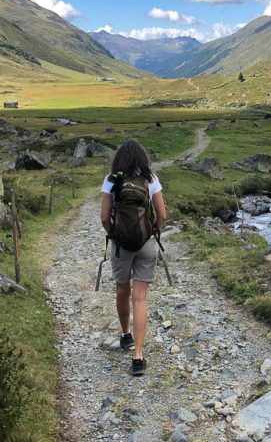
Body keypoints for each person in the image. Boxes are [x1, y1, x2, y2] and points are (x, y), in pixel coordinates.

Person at [100, 139, 166, 376]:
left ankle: (125, 334)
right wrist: (153, 230)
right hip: (146, 243)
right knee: (140, 298)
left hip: (121, 246)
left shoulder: (111, 180)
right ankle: (138, 357)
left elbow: (104, 217)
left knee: (122, 289)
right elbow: (162, 213)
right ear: (142, 157)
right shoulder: (150, 178)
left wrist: (114, 234)